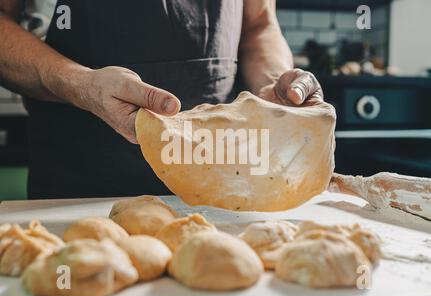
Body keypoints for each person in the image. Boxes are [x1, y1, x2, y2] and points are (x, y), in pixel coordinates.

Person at [0, 0, 324, 199]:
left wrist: (272, 85)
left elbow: (260, 25)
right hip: (79, 186)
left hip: (224, 186)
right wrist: (82, 84)